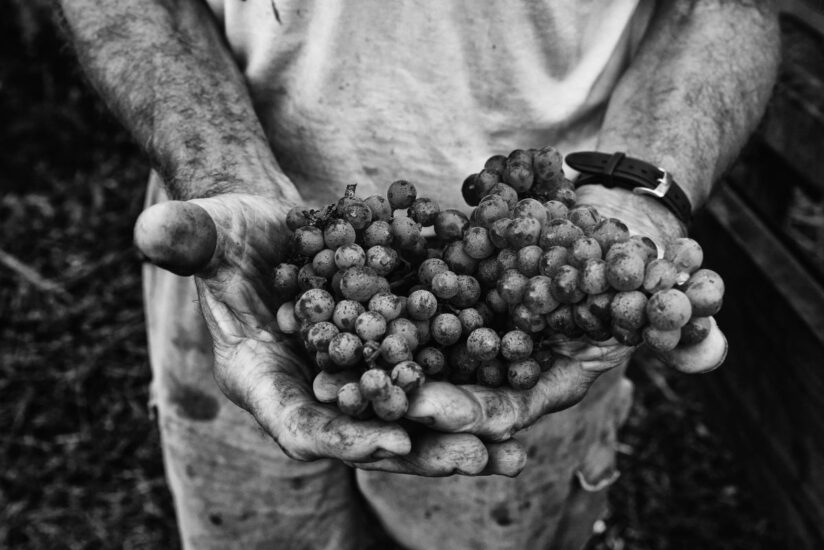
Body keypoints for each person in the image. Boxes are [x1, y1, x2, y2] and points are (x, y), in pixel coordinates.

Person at [58, 1, 779, 548]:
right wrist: (220, 168)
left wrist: (632, 198)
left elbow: (724, 9)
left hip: (545, 307)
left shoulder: (562, 273)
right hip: (243, 263)